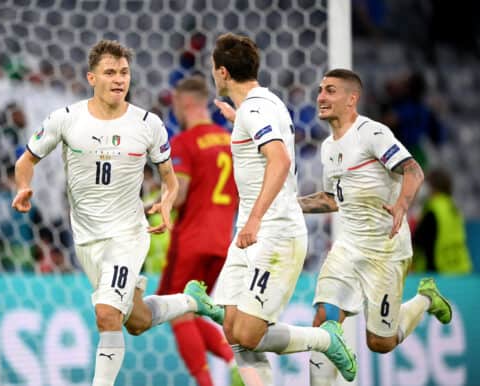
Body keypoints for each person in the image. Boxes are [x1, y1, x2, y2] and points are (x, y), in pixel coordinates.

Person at [12, 40, 222, 386]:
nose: (119, 79)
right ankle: (190, 301)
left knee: (107, 314)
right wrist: (23, 187)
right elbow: (26, 161)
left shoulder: (148, 124)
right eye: (110, 72)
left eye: (124, 72)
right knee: (135, 321)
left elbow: (170, 180)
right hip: (87, 239)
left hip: (127, 235)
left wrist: (167, 203)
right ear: (91, 77)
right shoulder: (66, 119)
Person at [185, 33, 358, 385]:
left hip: (273, 232)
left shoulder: (257, 108)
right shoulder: (261, 105)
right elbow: (261, 142)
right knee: (232, 329)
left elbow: (278, 160)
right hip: (251, 235)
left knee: (248, 334)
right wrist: (239, 122)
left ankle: (326, 339)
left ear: (221, 73)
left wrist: (254, 218)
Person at [297, 68, 453, 385]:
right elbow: (332, 199)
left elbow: (414, 171)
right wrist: (291, 206)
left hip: (385, 249)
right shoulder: (329, 147)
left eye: (330, 90)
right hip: (347, 248)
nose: (321, 97)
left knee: (379, 343)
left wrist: (401, 205)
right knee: (323, 321)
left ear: (352, 99)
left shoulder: (373, 133)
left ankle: (425, 299)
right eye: (320, 90)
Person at [155, 76, 240, 386]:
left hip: (191, 240)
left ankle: (206, 383)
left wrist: (155, 204)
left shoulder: (184, 142)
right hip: (221, 243)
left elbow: (180, 193)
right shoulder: (229, 141)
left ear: (185, 102)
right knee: (191, 310)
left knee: (178, 313)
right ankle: (234, 363)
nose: (174, 110)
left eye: (176, 103)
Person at [413, 168, 473, 274]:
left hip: (438, 272)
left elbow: (418, 241)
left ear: (432, 187)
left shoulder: (433, 210)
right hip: (460, 269)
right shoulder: (452, 206)